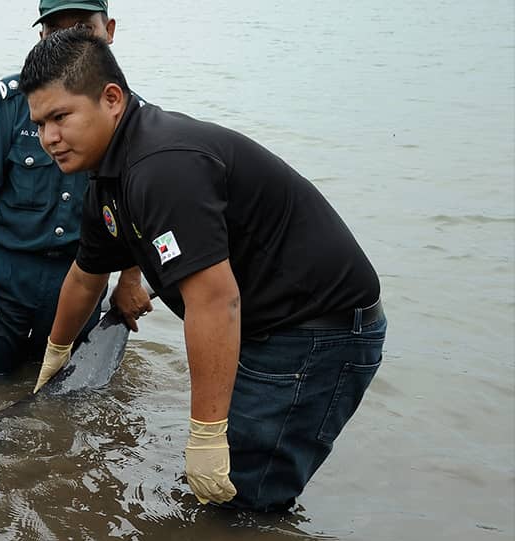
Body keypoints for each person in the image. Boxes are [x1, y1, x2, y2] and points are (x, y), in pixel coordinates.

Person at [22, 29, 386, 512]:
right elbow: (86, 276)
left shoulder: (162, 167)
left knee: (242, 504)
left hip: (317, 334)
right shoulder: (107, 178)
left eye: (60, 117)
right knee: (220, 491)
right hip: (265, 325)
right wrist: (57, 354)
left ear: (111, 99)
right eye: (39, 124)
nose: (49, 138)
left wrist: (207, 435)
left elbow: (214, 299)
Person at [0, 0, 150, 378]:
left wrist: (129, 278)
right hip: (5, 277)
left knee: (68, 392)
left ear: (109, 31)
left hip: (82, 276)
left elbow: (135, 206)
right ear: (41, 37)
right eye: (56, 30)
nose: (70, 38)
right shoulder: (12, 100)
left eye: (83, 27)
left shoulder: (122, 112)